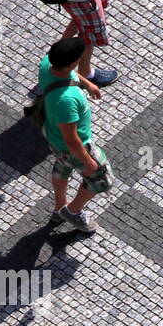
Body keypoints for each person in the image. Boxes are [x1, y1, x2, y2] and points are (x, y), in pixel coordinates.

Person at [39, 36, 113, 232]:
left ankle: (59, 207)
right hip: (75, 146)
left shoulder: (47, 63)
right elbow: (72, 139)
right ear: (74, 62)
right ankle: (72, 211)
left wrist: (87, 84)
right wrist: (88, 161)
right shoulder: (67, 100)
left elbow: (69, 72)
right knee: (102, 180)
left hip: (55, 141)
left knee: (63, 167)